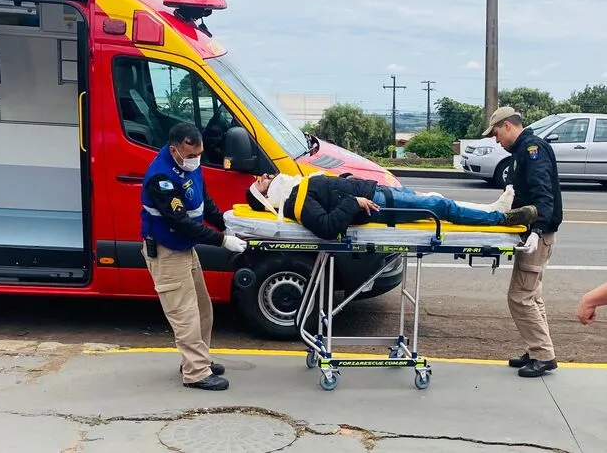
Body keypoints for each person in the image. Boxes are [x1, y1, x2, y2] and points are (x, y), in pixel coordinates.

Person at [140, 122, 247, 392]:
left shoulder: (190, 166)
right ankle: (196, 373)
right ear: (175, 150)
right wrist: (223, 241)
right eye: (190, 156)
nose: (195, 160)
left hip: (185, 248)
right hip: (168, 251)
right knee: (184, 314)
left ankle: (198, 360)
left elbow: (203, 201)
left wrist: (224, 224)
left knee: (202, 309)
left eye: (199, 154)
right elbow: (181, 223)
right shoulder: (160, 178)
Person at [483, 106, 563, 378]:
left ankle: (543, 355)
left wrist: (537, 230)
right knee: (532, 295)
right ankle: (536, 349)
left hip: (537, 234)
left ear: (507, 125)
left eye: (496, 134)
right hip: (533, 232)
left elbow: (543, 194)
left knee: (520, 297)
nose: (496, 140)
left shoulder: (532, 150)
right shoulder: (521, 151)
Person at [244, 171, 537, 241]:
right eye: (260, 183)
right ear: (264, 199)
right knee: (439, 206)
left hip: (375, 192)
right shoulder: (295, 202)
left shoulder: (295, 189)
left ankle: (490, 210)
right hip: (376, 203)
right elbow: (327, 227)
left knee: (436, 200)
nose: (265, 177)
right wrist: (353, 200)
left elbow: (328, 195)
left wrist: (346, 183)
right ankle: (500, 218)